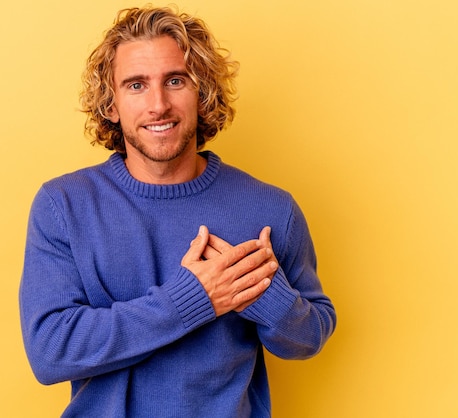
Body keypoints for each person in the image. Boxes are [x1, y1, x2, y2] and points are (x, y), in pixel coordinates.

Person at [19, 6, 336, 417]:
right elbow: (50, 352)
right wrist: (193, 299)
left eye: (175, 81)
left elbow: (310, 336)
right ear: (111, 104)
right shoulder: (63, 206)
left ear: (202, 94)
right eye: (136, 85)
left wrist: (262, 296)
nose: (158, 104)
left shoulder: (272, 208)